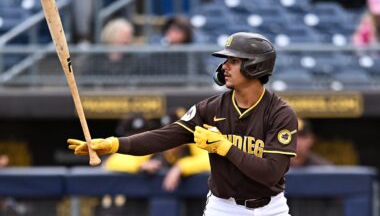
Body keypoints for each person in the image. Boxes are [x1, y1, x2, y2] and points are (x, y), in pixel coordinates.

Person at [68, 32, 298, 216]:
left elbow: (270, 173)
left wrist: (225, 147)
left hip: (271, 208)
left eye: (234, 61)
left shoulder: (280, 113)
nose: (225, 66)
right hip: (223, 207)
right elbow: (166, 136)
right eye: (226, 60)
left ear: (255, 66)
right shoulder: (210, 108)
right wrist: (114, 144)